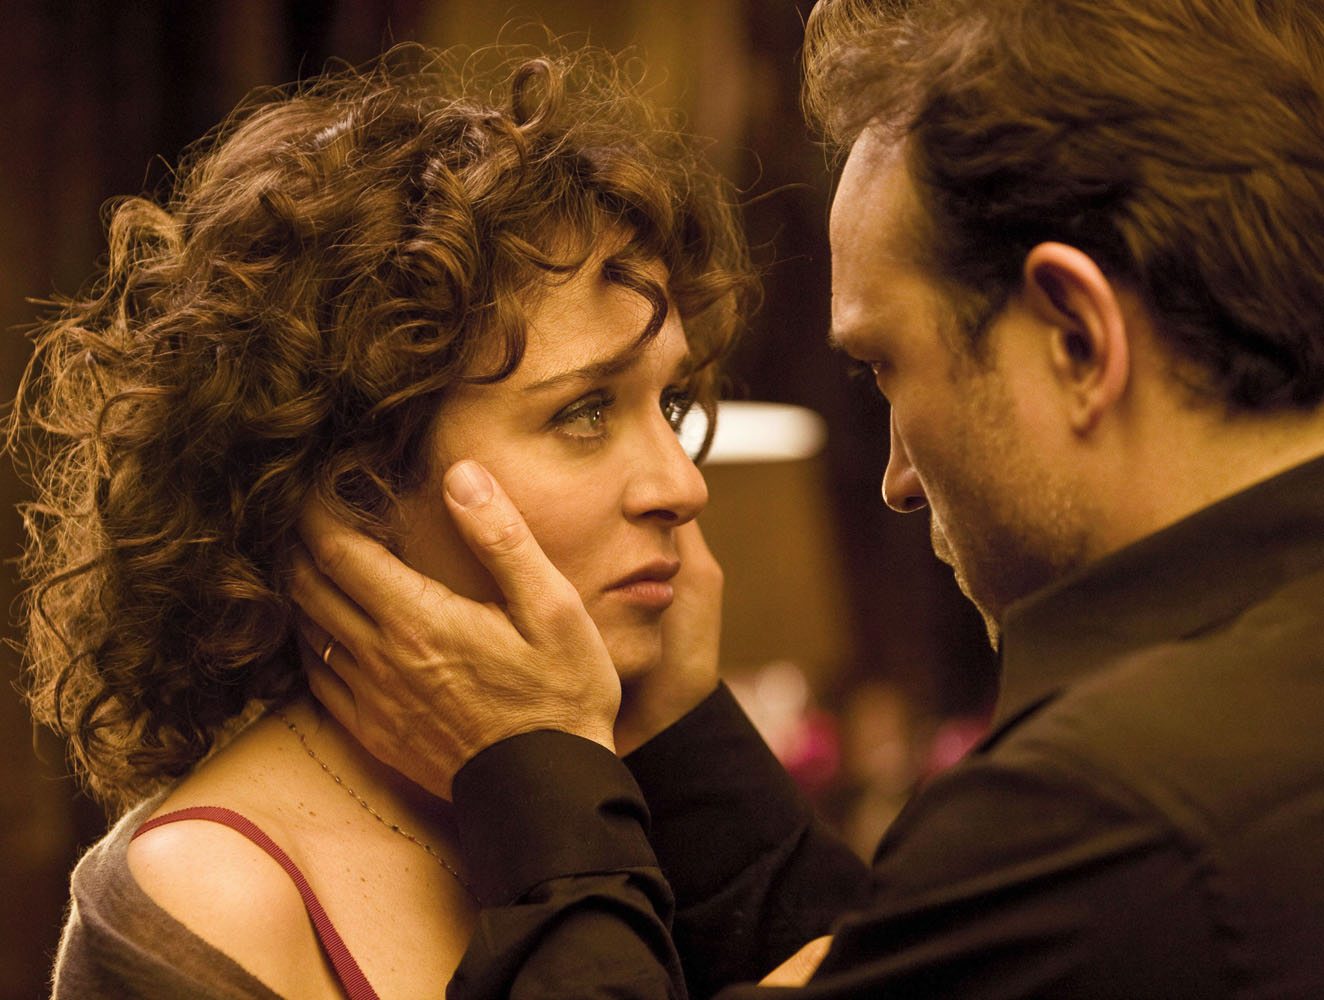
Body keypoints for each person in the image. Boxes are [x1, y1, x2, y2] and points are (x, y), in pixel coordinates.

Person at [289, 0, 1324, 996]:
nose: (898, 480)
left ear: (1079, 341)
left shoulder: (1105, 818)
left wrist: (535, 782)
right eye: (589, 410)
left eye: (887, 369)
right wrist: (678, 741)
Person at [0, 40, 762, 998]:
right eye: (584, 411)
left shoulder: (637, 795)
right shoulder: (219, 895)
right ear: (357, 482)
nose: (683, 486)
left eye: (673, 406)